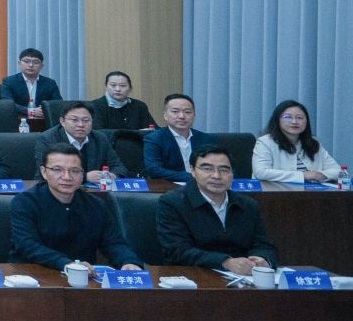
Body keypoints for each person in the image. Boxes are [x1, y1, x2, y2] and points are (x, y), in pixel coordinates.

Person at [11, 145, 144, 271]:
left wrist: (128, 261)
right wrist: (66, 263)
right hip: (33, 275)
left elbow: (113, 242)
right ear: (44, 172)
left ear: (82, 174)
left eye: (75, 171)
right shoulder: (25, 202)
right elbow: (27, 245)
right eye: (57, 170)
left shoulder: (95, 204)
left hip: (83, 278)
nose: (67, 177)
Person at [157, 146, 278, 274]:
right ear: (192, 170)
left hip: (243, 276)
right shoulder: (172, 203)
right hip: (193, 276)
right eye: (207, 169)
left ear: (232, 173)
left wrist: (263, 259)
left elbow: (265, 245)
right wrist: (225, 262)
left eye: (224, 170)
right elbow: (177, 251)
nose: (216, 176)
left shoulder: (248, 205)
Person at [33, 103, 123, 186]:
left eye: (86, 120)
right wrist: (85, 177)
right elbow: (46, 172)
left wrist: (112, 175)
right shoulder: (48, 139)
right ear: (62, 121)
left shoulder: (99, 138)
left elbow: (119, 167)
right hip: (58, 190)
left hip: (92, 193)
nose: (81, 124)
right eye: (74, 120)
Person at [253, 100, 340, 183]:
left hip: (312, 192)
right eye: (288, 117)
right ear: (277, 120)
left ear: (306, 121)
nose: (294, 122)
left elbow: (339, 171)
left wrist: (320, 175)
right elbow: (261, 172)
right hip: (275, 191)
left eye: (299, 118)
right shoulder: (265, 142)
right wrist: (303, 175)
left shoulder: (313, 142)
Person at [141, 93, 209, 184]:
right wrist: (193, 177)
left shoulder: (205, 138)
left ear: (194, 115)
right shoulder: (154, 138)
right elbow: (154, 170)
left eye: (187, 112)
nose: (181, 116)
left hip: (204, 186)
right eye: (175, 111)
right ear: (165, 115)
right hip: (170, 187)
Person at [0, 48, 63, 128]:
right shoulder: (9, 81)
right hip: (17, 121)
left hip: (44, 122)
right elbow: (7, 104)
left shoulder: (50, 83)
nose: (30, 65)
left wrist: (45, 109)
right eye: (26, 61)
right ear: (19, 63)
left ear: (41, 66)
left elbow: (57, 103)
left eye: (35, 62)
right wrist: (31, 111)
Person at [90, 70, 157, 135]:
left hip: (137, 142)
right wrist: (136, 133)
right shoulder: (95, 106)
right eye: (113, 85)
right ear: (106, 87)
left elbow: (154, 130)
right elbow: (98, 133)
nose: (118, 89)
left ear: (130, 88)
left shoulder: (139, 106)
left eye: (122, 85)